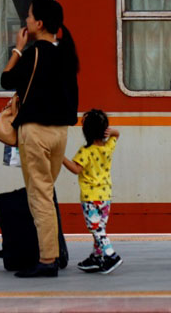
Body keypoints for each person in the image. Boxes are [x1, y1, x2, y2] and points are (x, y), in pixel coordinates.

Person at [0, 0, 79, 278]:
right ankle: (52, 254)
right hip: (60, 133)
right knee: (46, 193)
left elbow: (6, 80)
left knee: (40, 197)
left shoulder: (33, 53)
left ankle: (47, 260)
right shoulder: (66, 54)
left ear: (40, 23)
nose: (27, 20)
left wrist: (17, 49)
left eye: (30, 16)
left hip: (36, 132)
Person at [62, 109, 123, 275]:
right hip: (106, 196)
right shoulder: (108, 148)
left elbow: (76, 169)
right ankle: (97, 257)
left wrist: (61, 157)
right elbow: (116, 135)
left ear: (86, 132)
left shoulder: (86, 151)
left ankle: (111, 255)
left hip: (90, 198)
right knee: (100, 228)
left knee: (96, 229)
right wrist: (112, 131)